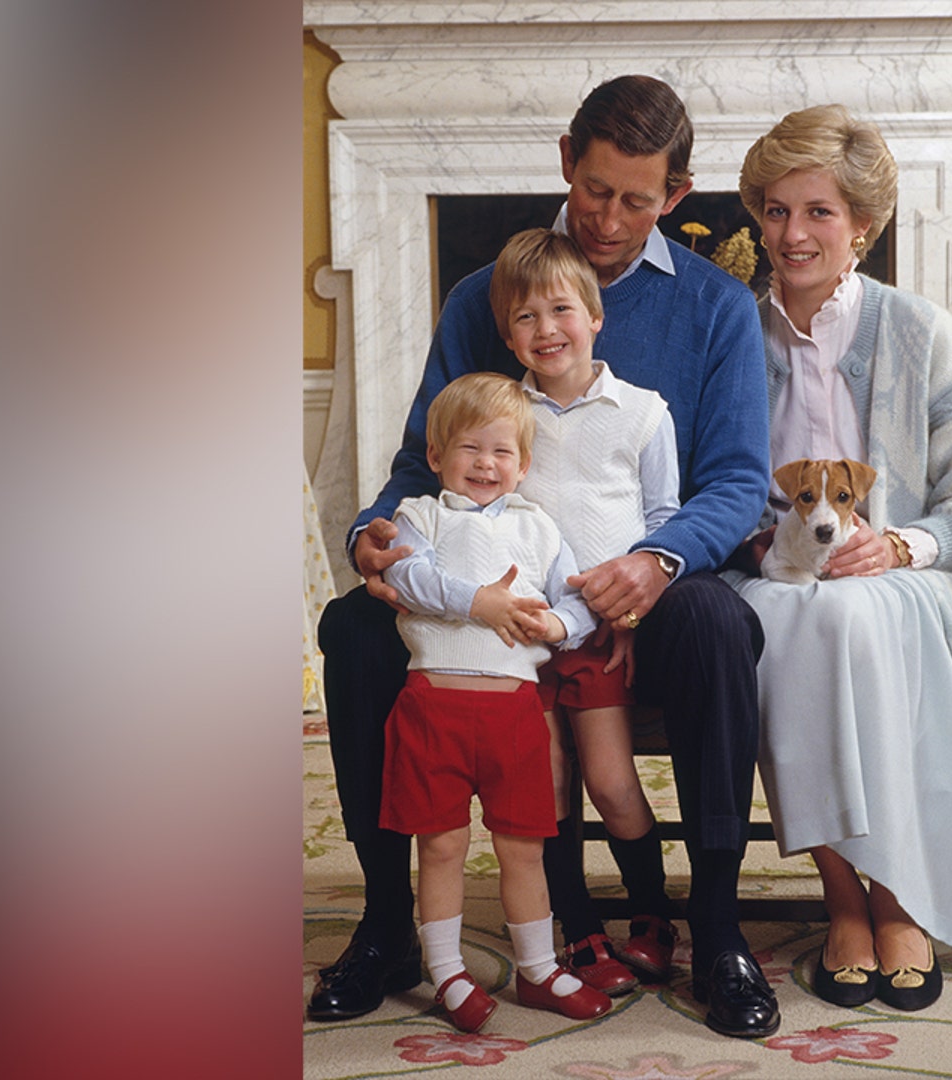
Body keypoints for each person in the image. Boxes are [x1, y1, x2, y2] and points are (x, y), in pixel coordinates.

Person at [309, 75, 779, 1039]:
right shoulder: (486, 295)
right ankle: (390, 922)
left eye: (636, 200)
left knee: (718, 622)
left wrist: (656, 562)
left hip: (652, 582)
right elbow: (424, 459)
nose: (607, 219)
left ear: (676, 196)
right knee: (352, 627)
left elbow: (735, 482)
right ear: (566, 160)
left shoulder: (717, 308)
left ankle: (716, 924)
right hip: (500, 587)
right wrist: (372, 531)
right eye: (595, 188)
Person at [725, 104, 952, 1011]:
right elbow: (698, 484)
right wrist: (758, 542)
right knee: (790, 615)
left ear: (862, 223)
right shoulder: (732, 335)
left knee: (850, 614)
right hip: (778, 579)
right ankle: (843, 893)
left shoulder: (921, 333)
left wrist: (899, 543)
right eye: (777, 211)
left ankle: (895, 895)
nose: (793, 234)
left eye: (818, 212)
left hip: (911, 583)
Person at [376, 372, 613, 1031]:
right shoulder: (419, 516)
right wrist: (478, 602)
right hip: (435, 709)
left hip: (514, 715)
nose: (485, 464)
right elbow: (408, 576)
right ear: (436, 456)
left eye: (502, 451)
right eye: (469, 448)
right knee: (442, 846)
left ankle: (537, 969)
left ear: (524, 464)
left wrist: (557, 626)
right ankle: (447, 972)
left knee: (523, 847)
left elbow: (577, 601)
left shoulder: (540, 528)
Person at [488, 228, 682, 997]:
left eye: (561, 309)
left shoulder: (642, 413)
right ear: (508, 335)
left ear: (596, 317)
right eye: (525, 317)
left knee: (610, 781)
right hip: (525, 635)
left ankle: (652, 912)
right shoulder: (505, 417)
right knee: (549, 780)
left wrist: (633, 617)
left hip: (604, 632)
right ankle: (579, 926)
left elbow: (664, 521)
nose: (546, 330)